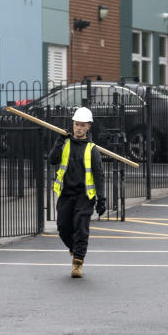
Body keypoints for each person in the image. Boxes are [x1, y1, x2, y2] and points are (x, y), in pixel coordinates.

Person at [48, 107, 106, 278]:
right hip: (66, 194)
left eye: (82, 125)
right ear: (73, 124)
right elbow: (52, 160)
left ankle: (77, 263)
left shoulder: (92, 149)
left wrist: (101, 198)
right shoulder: (64, 143)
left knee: (81, 228)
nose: (78, 128)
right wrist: (58, 142)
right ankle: (74, 249)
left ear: (88, 127)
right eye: (76, 124)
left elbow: (99, 175)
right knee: (63, 228)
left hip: (84, 196)